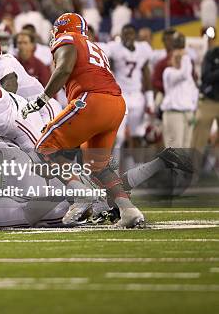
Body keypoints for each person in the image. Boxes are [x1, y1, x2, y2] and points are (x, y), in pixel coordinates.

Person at [21, 13, 144, 228]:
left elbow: (65, 68)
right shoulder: (94, 46)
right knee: (97, 166)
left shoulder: (67, 38)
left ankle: (81, 194)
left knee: (44, 147)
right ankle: (128, 210)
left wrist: (42, 100)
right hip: (115, 103)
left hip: (91, 100)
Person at [161, 48, 198, 148]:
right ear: (171, 59)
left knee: (186, 148)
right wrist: (186, 57)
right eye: (176, 57)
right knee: (175, 148)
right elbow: (183, 75)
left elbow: (194, 93)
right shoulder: (168, 72)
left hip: (188, 114)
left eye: (180, 58)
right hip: (174, 114)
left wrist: (193, 111)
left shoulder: (189, 77)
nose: (179, 60)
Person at [191, 28, 219, 152]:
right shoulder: (213, 54)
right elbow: (206, 77)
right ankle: (191, 170)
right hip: (209, 101)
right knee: (198, 141)